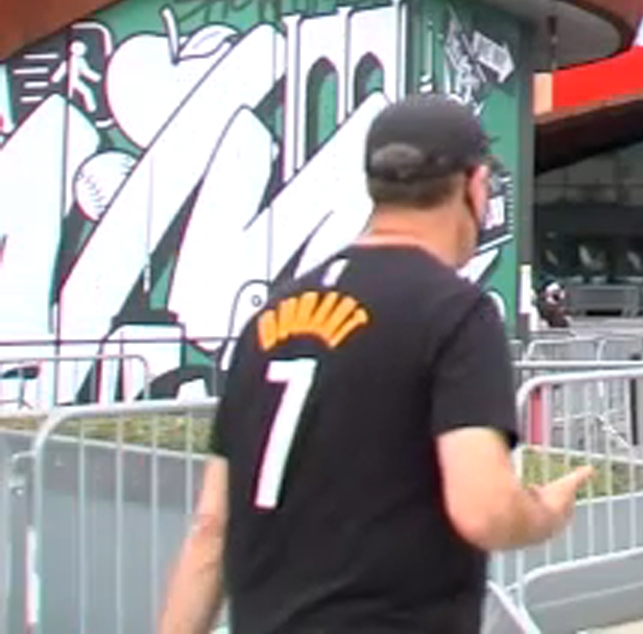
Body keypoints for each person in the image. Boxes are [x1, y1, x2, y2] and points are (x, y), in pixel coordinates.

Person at [157, 96, 591, 634]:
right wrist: (544, 511)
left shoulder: (270, 318)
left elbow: (210, 528)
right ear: (475, 185)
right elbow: (484, 509)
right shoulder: (455, 312)